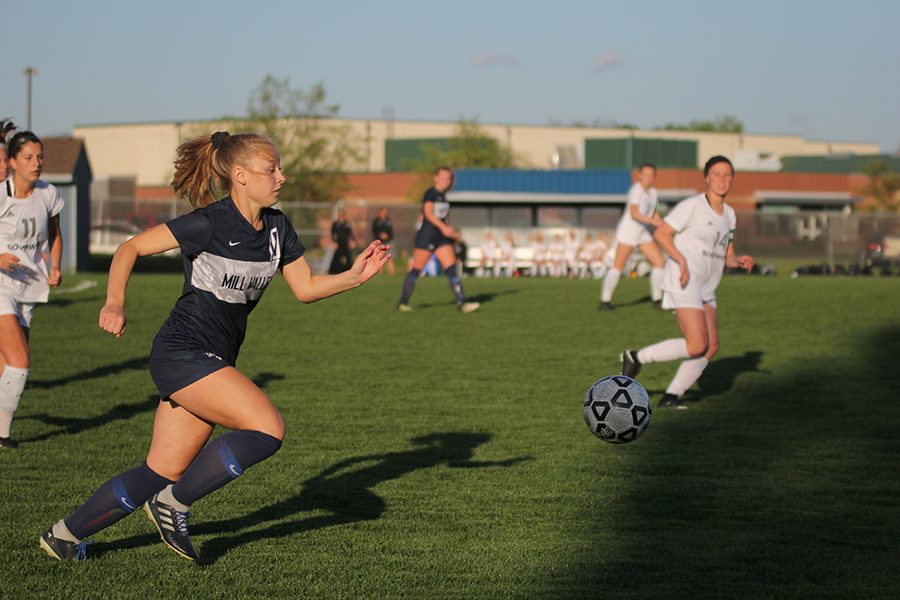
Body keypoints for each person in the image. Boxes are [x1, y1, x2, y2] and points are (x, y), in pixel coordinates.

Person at [39, 131, 388, 561]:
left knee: (160, 471)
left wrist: (354, 276)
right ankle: (173, 504)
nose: (281, 176)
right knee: (267, 428)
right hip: (181, 351)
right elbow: (130, 248)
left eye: (279, 167)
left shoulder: (278, 228)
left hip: (213, 359)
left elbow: (306, 287)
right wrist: (114, 301)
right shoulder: (208, 223)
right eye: (271, 169)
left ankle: (64, 536)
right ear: (240, 176)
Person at [621, 156, 753, 409]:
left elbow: (727, 254)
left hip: (707, 285)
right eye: (717, 174)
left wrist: (738, 261)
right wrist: (679, 258)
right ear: (706, 178)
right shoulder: (692, 206)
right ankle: (636, 357)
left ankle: (670, 397)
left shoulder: (730, 215)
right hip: (684, 278)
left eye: (728, 175)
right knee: (697, 344)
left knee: (711, 346)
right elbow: (661, 233)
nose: (722, 179)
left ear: (733, 179)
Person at [0, 124, 64, 450]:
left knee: (6, 364)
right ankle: (2, 435)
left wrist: (55, 266)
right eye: (29, 157)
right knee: (20, 360)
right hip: (0, 285)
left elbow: (54, 235)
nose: (36, 162)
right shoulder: (1, 195)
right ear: (12, 162)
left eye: (40, 156)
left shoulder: (48, 193)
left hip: (30, 287)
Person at [396, 166, 479, 312]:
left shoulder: (444, 196)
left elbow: (443, 218)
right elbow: (428, 213)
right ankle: (403, 303)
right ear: (436, 178)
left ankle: (462, 303)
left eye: (448, 178)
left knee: (452, 269)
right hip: (427, 235)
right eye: (443, 178)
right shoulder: (431, 193)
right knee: (416, 270)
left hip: (442, 237)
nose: (446, 181)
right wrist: (443, 227)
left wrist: (450, 231)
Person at [600, 162, 666, 311]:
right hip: (628, 232)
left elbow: (653, 212)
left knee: (659, 262)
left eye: (651, 175)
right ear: (640, 176)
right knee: (618, 266)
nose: (648, 178)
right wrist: (652, 221)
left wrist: (662, 224)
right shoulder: (636, 190)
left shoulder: (653, 192)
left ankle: (657, 300)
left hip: (642, 232)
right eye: (646, 174)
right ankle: (605, 301)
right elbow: (634, 213)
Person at [328, 207, 356, 274]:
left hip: (345, 243)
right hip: (338, 243)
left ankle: (350, 271)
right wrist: (334, 242)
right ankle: (334, 271)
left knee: (348, 257)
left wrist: (353, 240)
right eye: (339, 214)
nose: (340, 215)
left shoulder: (346, 223)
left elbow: (350, 233)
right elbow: (332, 234)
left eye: (342, 214)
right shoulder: (335, 224)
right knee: (336, 258)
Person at [371, 206, 395, 275]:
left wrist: (387, 236)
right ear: (380, 212)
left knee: (389, 257)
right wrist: (380, 235)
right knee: (379, 257)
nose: (385, 213)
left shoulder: (388, 220)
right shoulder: (376, 221)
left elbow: (391, 231)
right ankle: (379, 273)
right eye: (383, 211)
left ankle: (392, 273)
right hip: (379, 242)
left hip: (388, 241)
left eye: (386, 212)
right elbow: (374, 230)